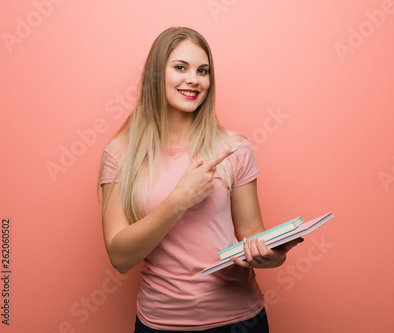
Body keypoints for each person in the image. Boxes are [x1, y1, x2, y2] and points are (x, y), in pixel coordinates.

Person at [98, 27, 303, 333]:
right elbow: (120, 258)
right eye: (180, 67)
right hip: (161, 324)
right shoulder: (121, 154)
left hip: (240, 320)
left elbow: (252, 234)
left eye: (203, 70)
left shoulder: (233, 148)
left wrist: (270, 257)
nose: (194, 79)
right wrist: (180, 199)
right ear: (157, 75)